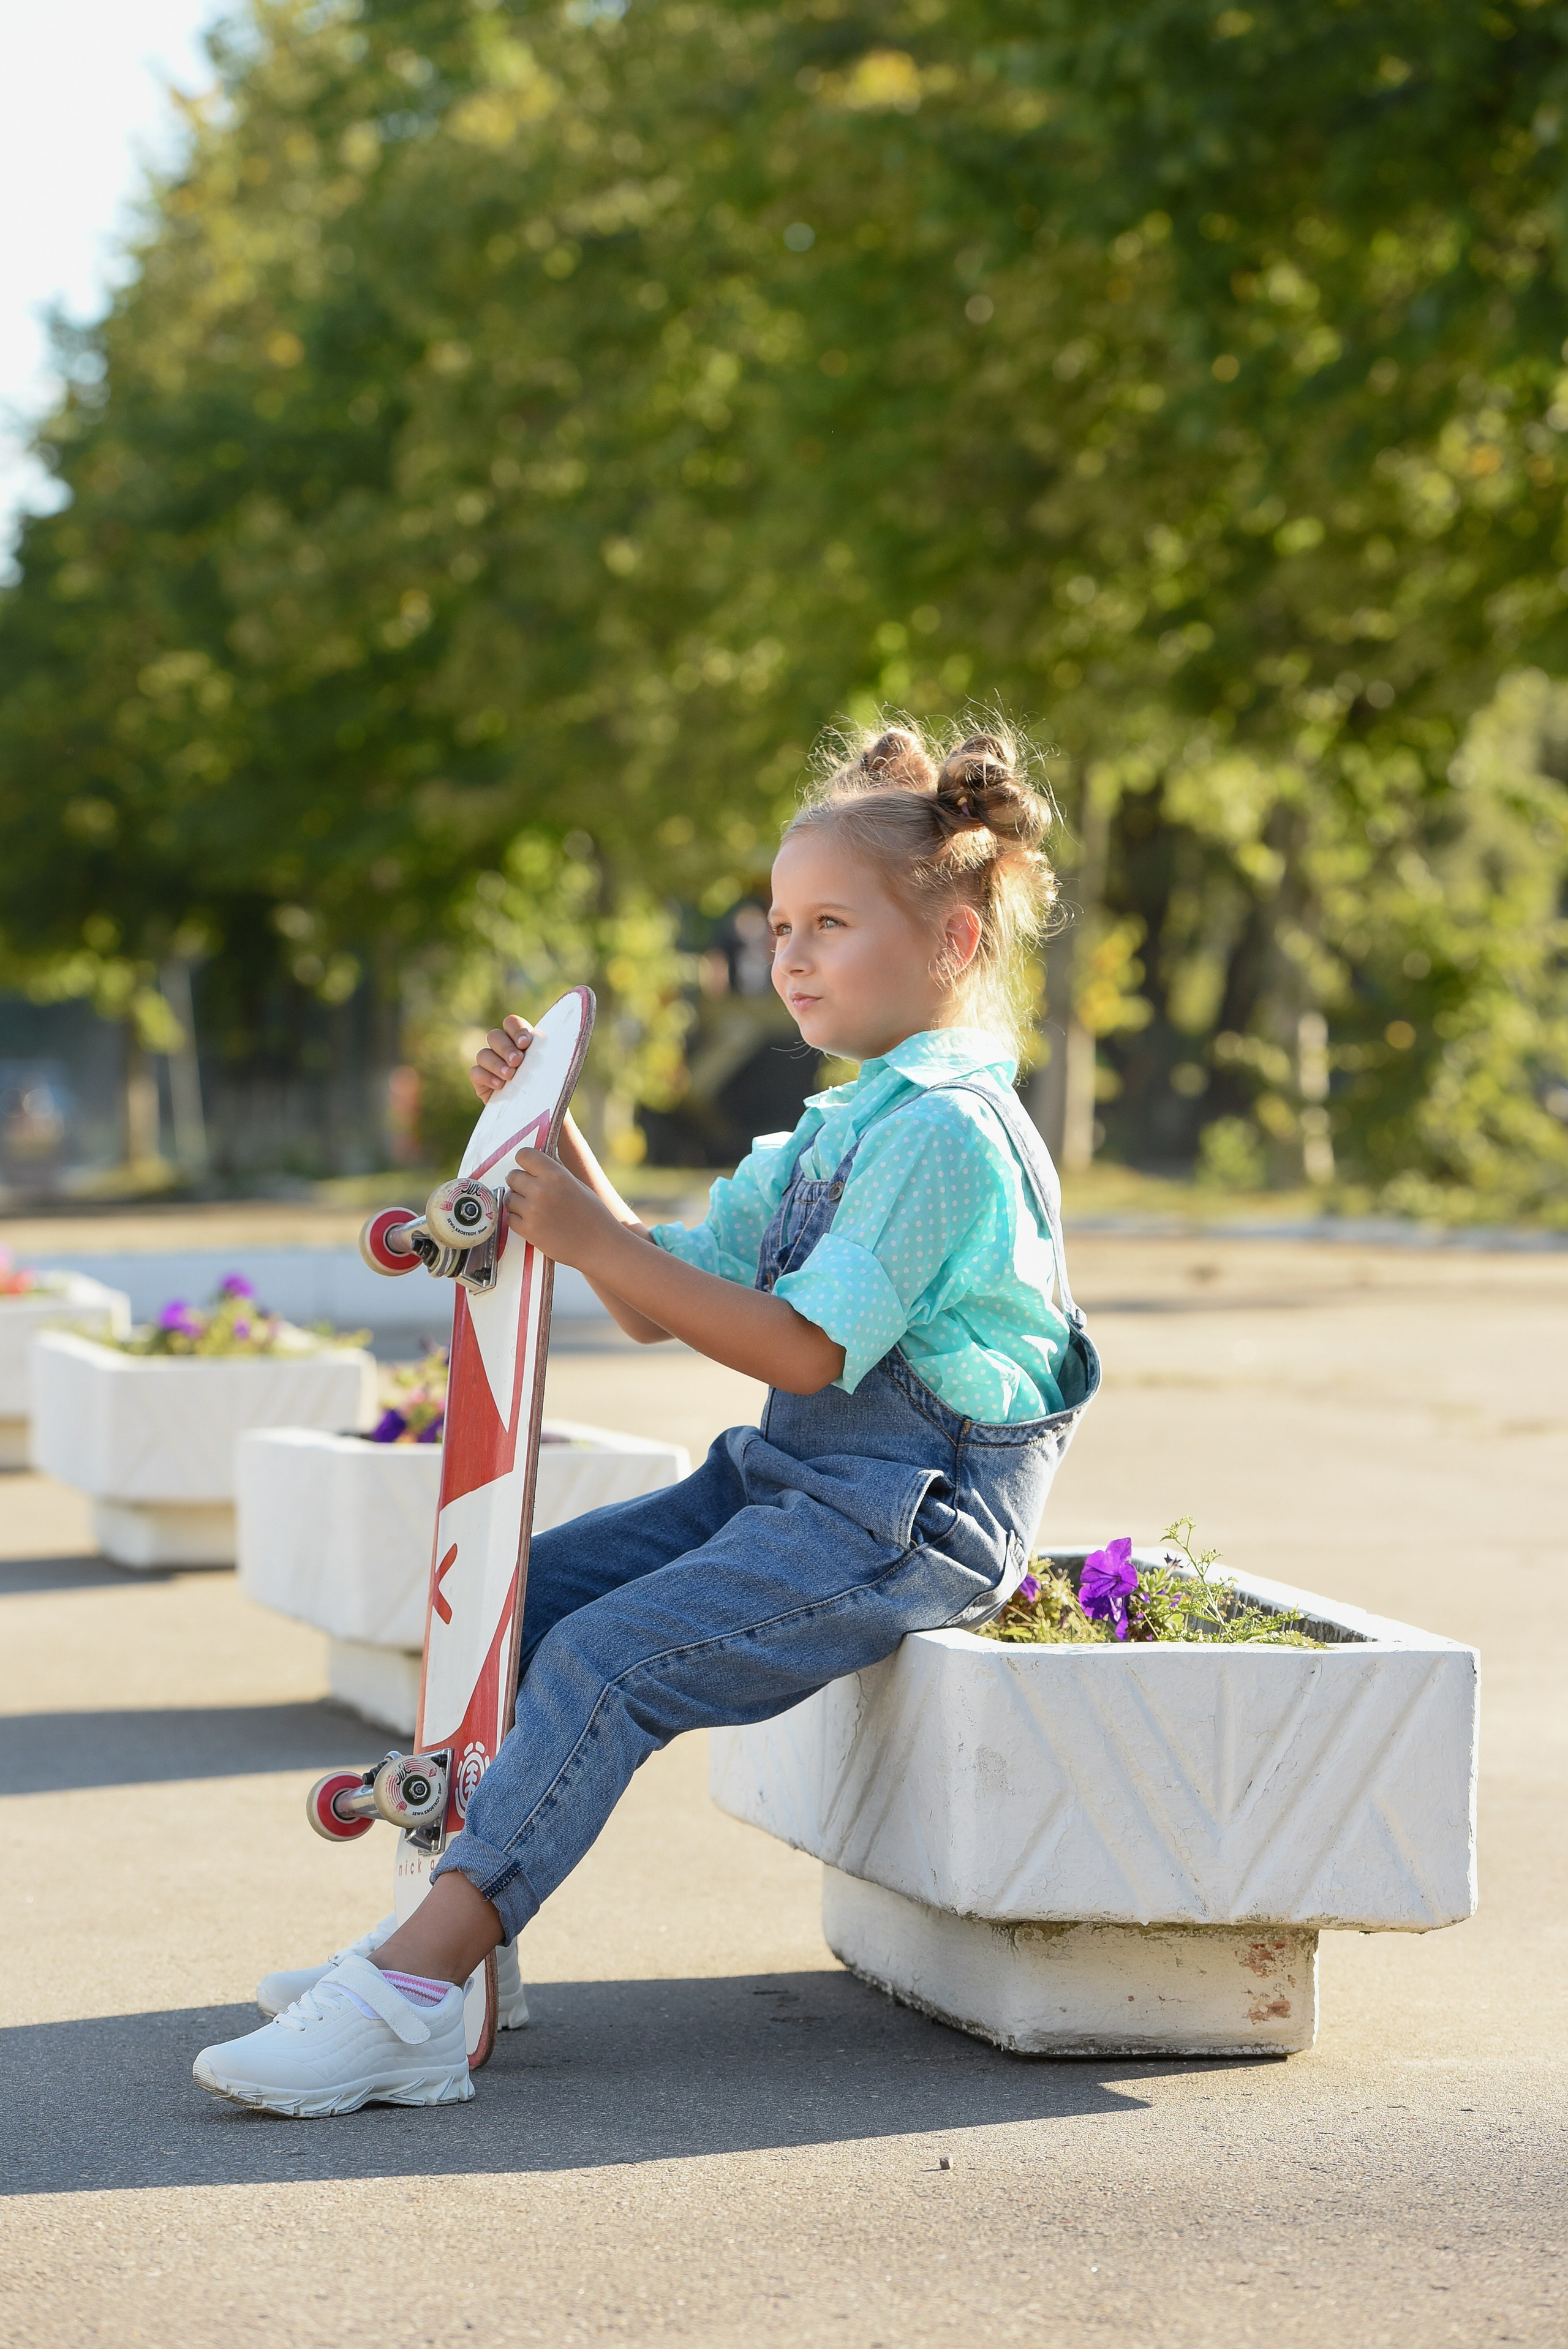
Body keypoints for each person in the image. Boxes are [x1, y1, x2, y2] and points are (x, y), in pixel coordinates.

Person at [193, 720, 1101, 2117]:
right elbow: (651, 1292)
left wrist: (590, 1239)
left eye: (830, 925)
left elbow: (798, 1350)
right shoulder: (838, 1126)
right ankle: (459, 1947)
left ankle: (415, 1991)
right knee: (529, 1599)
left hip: (907, 1513)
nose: (787, 955)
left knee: (609, 1658)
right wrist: (560, 1155)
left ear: (953, 941)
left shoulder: (945, 1133)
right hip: (799, 1482)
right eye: (777, 925)